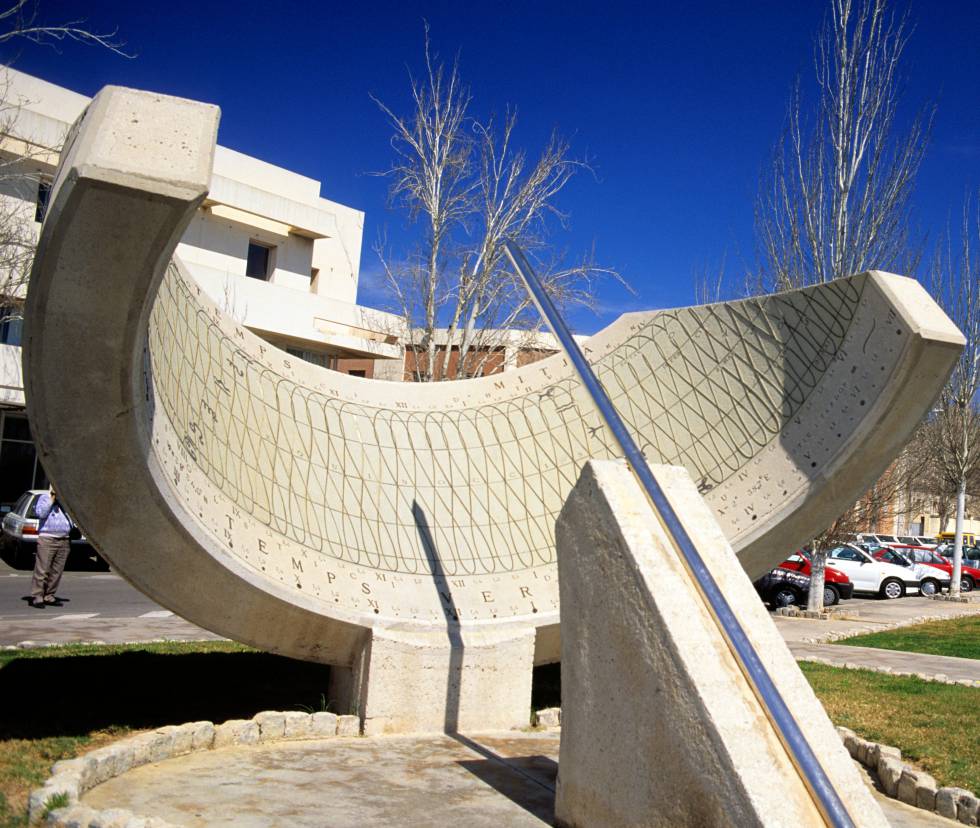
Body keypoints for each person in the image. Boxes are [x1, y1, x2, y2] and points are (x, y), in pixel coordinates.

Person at [30, 486, 72, 608]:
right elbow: (41, 513)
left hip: (64, 539)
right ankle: (37, 596)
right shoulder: (44, 498)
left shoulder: (66, 501)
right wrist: (52, 498)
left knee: (57, 571)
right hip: (47, 538)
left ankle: (49, 595)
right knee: (42, 569)